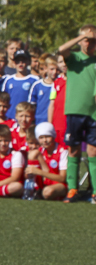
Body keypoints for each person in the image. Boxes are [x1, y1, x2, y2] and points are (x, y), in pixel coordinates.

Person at [57, 25, 96, 203]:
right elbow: (61, 49)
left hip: (93, 113)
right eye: (86, 40)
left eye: (92, 40)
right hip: (74, 110)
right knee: (73, 150)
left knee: (93, 151)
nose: (89, 43)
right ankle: (73, 189)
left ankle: (94, 191)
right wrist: (81, 38)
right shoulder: (74, 58)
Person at [26, 122, 68, 201]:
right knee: (33, 154)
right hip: (45, 183)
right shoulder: (40, 150)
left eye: (48, 136)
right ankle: (33, 190)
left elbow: (62, 178)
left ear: (53, 136)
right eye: (41, 137)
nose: (44, 140)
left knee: (47, 192)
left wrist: (39, 172)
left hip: (60, 184)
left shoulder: (62, 151)